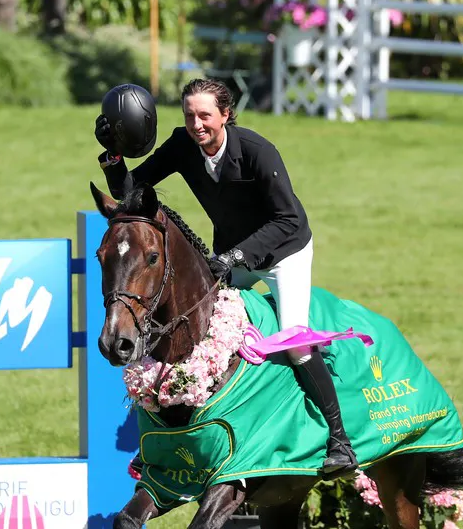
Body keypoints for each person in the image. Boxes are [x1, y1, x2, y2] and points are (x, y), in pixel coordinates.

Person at [94, 79, 358, 479]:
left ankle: (341, 441)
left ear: (225, 115)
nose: (196, 124)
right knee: (203, 334)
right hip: (229, 255)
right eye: (189, 116)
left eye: (204, 115)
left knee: (295, 343)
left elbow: (286, 219)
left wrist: (236, 256)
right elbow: (134, 198)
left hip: (283, 252)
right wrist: (113, 159)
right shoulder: (183, 145)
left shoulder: (257, 151)